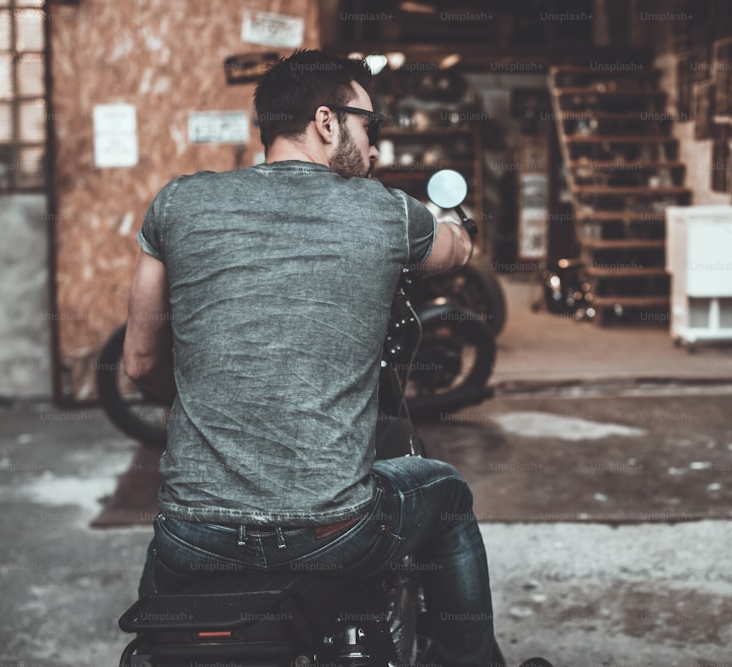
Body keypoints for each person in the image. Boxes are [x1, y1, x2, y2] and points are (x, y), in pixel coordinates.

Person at [122, 49, 495, 666]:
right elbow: (455, 251)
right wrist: (457, 223)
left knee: (157, 638)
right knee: (448, 494)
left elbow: (139, 362)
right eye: (368, 126)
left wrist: (220, 400)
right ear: (328, 122)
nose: (373, 150)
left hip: (195, 533)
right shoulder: (384, 209)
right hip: (333, 531)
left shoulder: (177, 204)